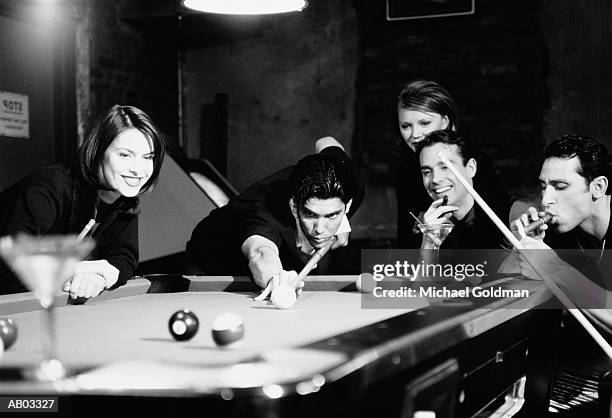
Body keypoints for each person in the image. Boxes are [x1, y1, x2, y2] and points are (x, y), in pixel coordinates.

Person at [0, 104, 165, 299]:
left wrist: (101, 276)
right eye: (125, 155)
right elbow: (9, 267)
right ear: (98, 152)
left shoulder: (124, 199)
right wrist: (76, 270)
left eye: (148, 157)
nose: (138, 170)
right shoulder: (46, 191)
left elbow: (124, 257)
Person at [186, 137, 364, 292]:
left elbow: (325, 141)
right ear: (294, 205)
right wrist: (276, 279)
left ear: (347, 205)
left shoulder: (346, 180)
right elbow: (260, 253)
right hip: (214, 258)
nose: (320, 230)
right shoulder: (265, 213)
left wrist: (342, 221)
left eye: (331, 215)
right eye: (310, 214)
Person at [395, 79, 510, 247]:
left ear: (445, 121)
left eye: (424, 123)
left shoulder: (474, 161)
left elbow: (495, 227)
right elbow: (405, 241)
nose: (415, 134)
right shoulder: (405, 173)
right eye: (406, 126)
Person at [416, 130, 509, 250]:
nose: (435, 179)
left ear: (470, 168)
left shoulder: (509, 216)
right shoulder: (424, 228)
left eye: (445, 167)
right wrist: (428, 246)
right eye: (427, 172)